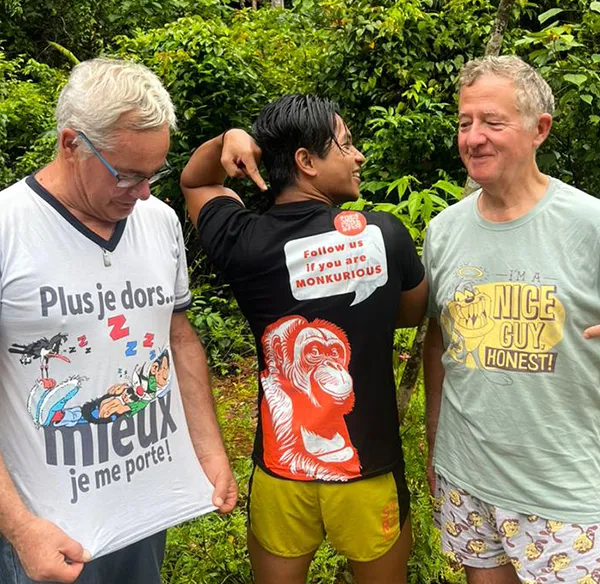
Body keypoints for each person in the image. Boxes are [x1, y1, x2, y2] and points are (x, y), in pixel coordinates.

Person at [0, 58, 237, 584]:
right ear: (70, 144)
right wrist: (19, 528)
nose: (146, 192)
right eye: (128, 175)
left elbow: (178, 336)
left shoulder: (158, 221)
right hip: (46, 531)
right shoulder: (8, 229)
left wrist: (208, 449)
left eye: (155, 173)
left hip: (144, 510)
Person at [180, 94, 428, 584]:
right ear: (306, 161)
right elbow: (412, 313)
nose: (358, 157)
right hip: (369, 471)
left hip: (279, 472)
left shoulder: (242, 240)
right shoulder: (384, 234)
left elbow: (197, 180)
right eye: (347, 144)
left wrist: (228, 140)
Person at [423, 55, 600, 584]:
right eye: (464, 122)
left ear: (538, 129)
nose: (473, 138)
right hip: (468, 473)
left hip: (565, 486)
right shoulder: (445, 230)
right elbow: (438, 340)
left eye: (492, 123)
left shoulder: (589, 222)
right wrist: (434, 437)